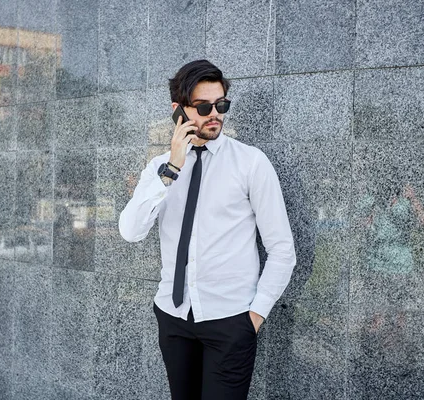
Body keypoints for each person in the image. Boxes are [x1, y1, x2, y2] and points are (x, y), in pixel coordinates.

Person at [118, 60, 296, 400]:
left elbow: (282, 249)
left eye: (222, 104)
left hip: (231, 321)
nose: (215, 114)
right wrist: (171, 168)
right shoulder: (159, 168)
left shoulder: (250, 162)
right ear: (178, 111)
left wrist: (254, 317)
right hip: (174, 319)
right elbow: (130, 230)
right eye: (203, 106)